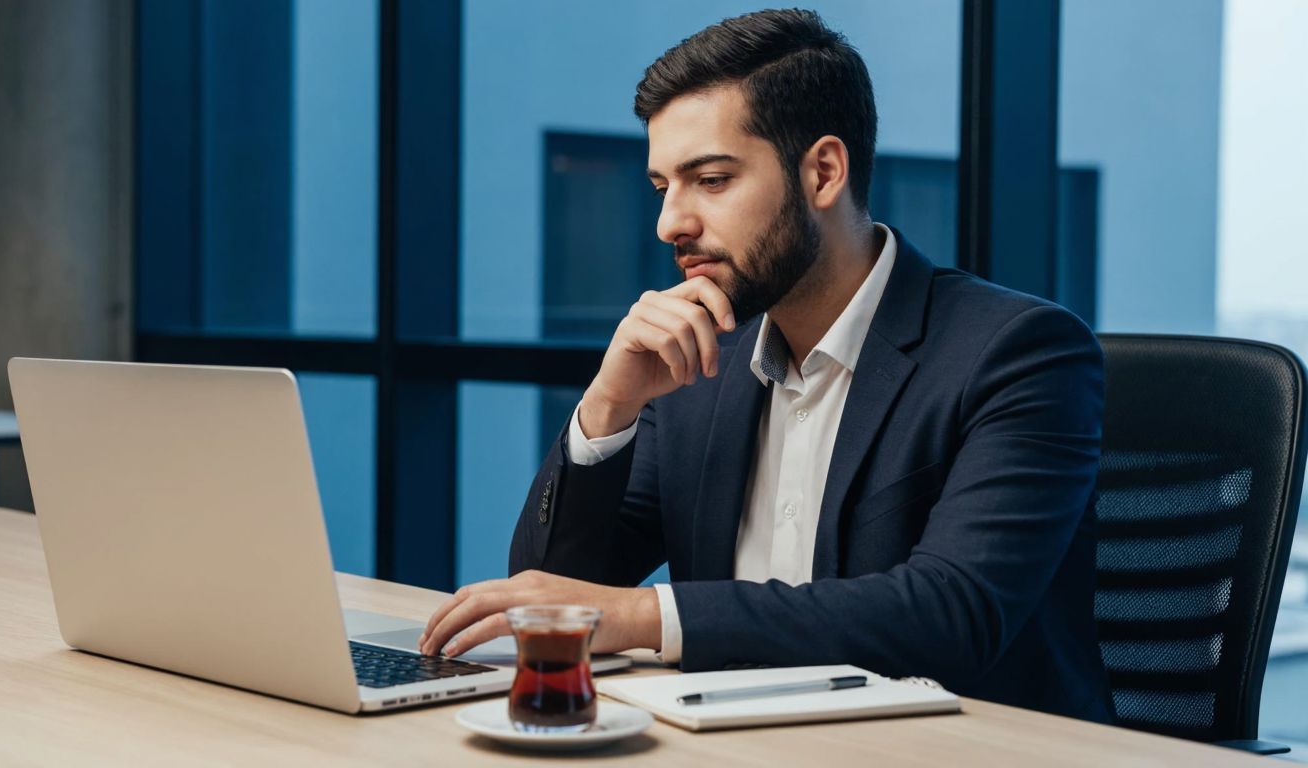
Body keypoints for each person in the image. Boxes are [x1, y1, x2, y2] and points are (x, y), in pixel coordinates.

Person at [419, 8, 1113, 722]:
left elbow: (950, 616)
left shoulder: (1020, 352)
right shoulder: (699, 363)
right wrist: (608, 408)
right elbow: (560, 594)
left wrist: (646, 616)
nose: (670, 224)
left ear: (823, 172)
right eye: (663, 188)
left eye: (711, 180)